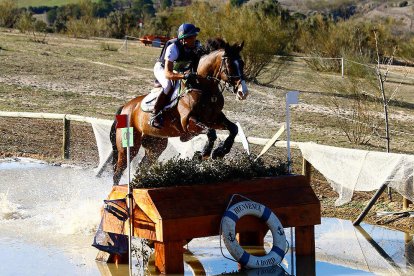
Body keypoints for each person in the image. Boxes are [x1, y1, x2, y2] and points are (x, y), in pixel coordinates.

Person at [150, 23, 204, 129]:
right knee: (168, 85)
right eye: (191, 37)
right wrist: (183, 76)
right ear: (183, 39)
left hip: (180, 69)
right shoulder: (173, 48)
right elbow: (168, 73)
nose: (194, 39)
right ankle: (155, 114)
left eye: (195, 36)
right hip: (162, 68)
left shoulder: (197, 45)